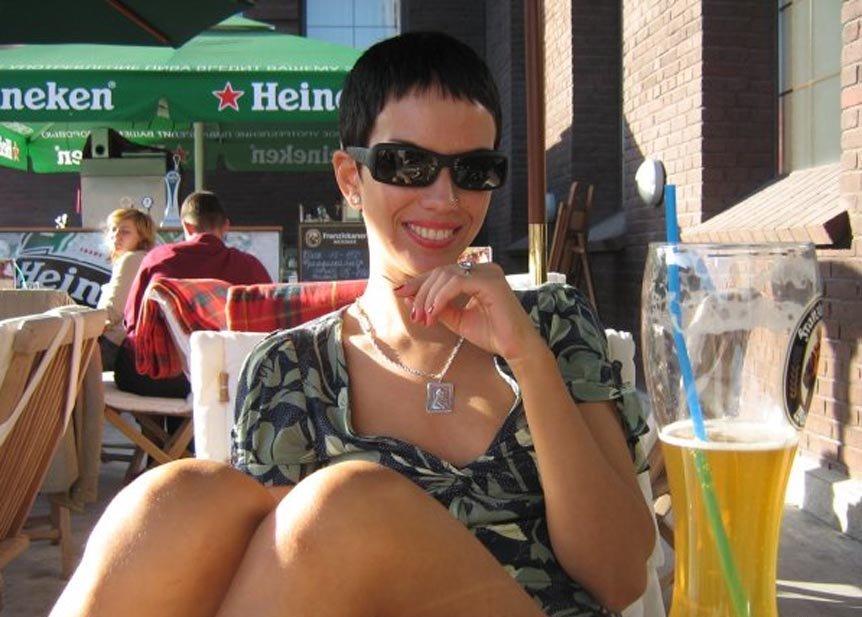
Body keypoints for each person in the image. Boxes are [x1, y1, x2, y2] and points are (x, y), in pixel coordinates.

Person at [52, 32, 654, 617]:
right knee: (171, 502)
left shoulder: (548, 321)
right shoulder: (290, 372)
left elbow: (620, 575)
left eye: (475, 170)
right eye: (407, 164)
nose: (445, 197)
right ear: (349, 179)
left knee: (347, 506)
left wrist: (525, 356)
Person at [114, 191, 271, 398]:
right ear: (226, 226)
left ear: (186, 226)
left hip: (154, 378)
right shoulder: (250, 267)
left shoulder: (158, 259)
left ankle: (150, 422)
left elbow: (133, 321)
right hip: (227, 381)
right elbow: (269, 329)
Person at [97, 208, 155, 371]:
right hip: (127, 347)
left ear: (142, 237)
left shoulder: (131, 259)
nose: (116, 236)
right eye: (113, 229)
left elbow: (113, 311)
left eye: (125, 231)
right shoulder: (144, 259)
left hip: (113, 345)